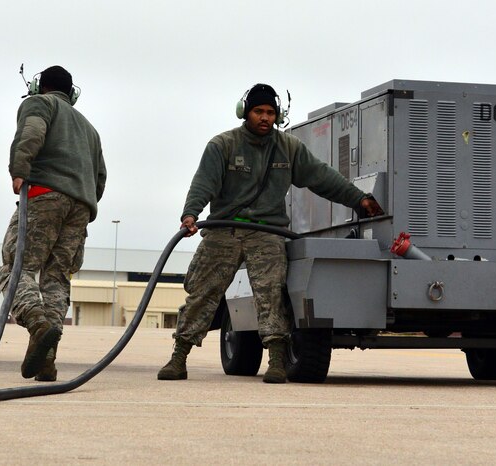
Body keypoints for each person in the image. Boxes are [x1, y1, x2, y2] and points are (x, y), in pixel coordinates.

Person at [158, 83, 384, 384]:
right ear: (245, 113)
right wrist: (191, 214)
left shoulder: (288, 148)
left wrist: (359, 199)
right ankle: (179, 358)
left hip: (266, 232)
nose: (265, 117)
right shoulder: (222, 145)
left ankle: (276, 361)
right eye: (258, 111)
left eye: (270, 112)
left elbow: (322, 177)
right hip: (224, 229)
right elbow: (203, 183)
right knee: (202, 292)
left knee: (271, 294)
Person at [0, 65, 106, 382]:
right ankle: (47, 360)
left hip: (45, 195)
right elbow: (100, 178)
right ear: (72, 93)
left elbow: (31, 133)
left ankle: (37, 323)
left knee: (15, 267)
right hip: (82, 206)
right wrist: (83, 202)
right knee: (57, 279)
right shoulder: (90, 130)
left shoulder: (39, 104)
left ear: (39, 87)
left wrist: (19, 169)